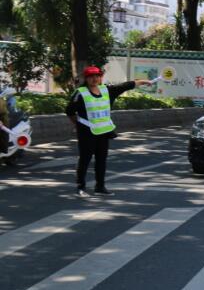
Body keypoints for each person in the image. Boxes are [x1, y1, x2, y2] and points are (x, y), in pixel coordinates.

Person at [65, 67, 152, 197]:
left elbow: (125, 86)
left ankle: (100, 187)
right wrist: (78, 124)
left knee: (101, 160)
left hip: (103, 132)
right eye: (91, 76)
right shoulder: (80, 93)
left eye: (97, 76)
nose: (94, 79)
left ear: (101, 77)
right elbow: (69, 111)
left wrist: (143, 82)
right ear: (86, 78)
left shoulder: (107, 90)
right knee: (85, 160)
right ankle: (80, 187)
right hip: (86, 132)